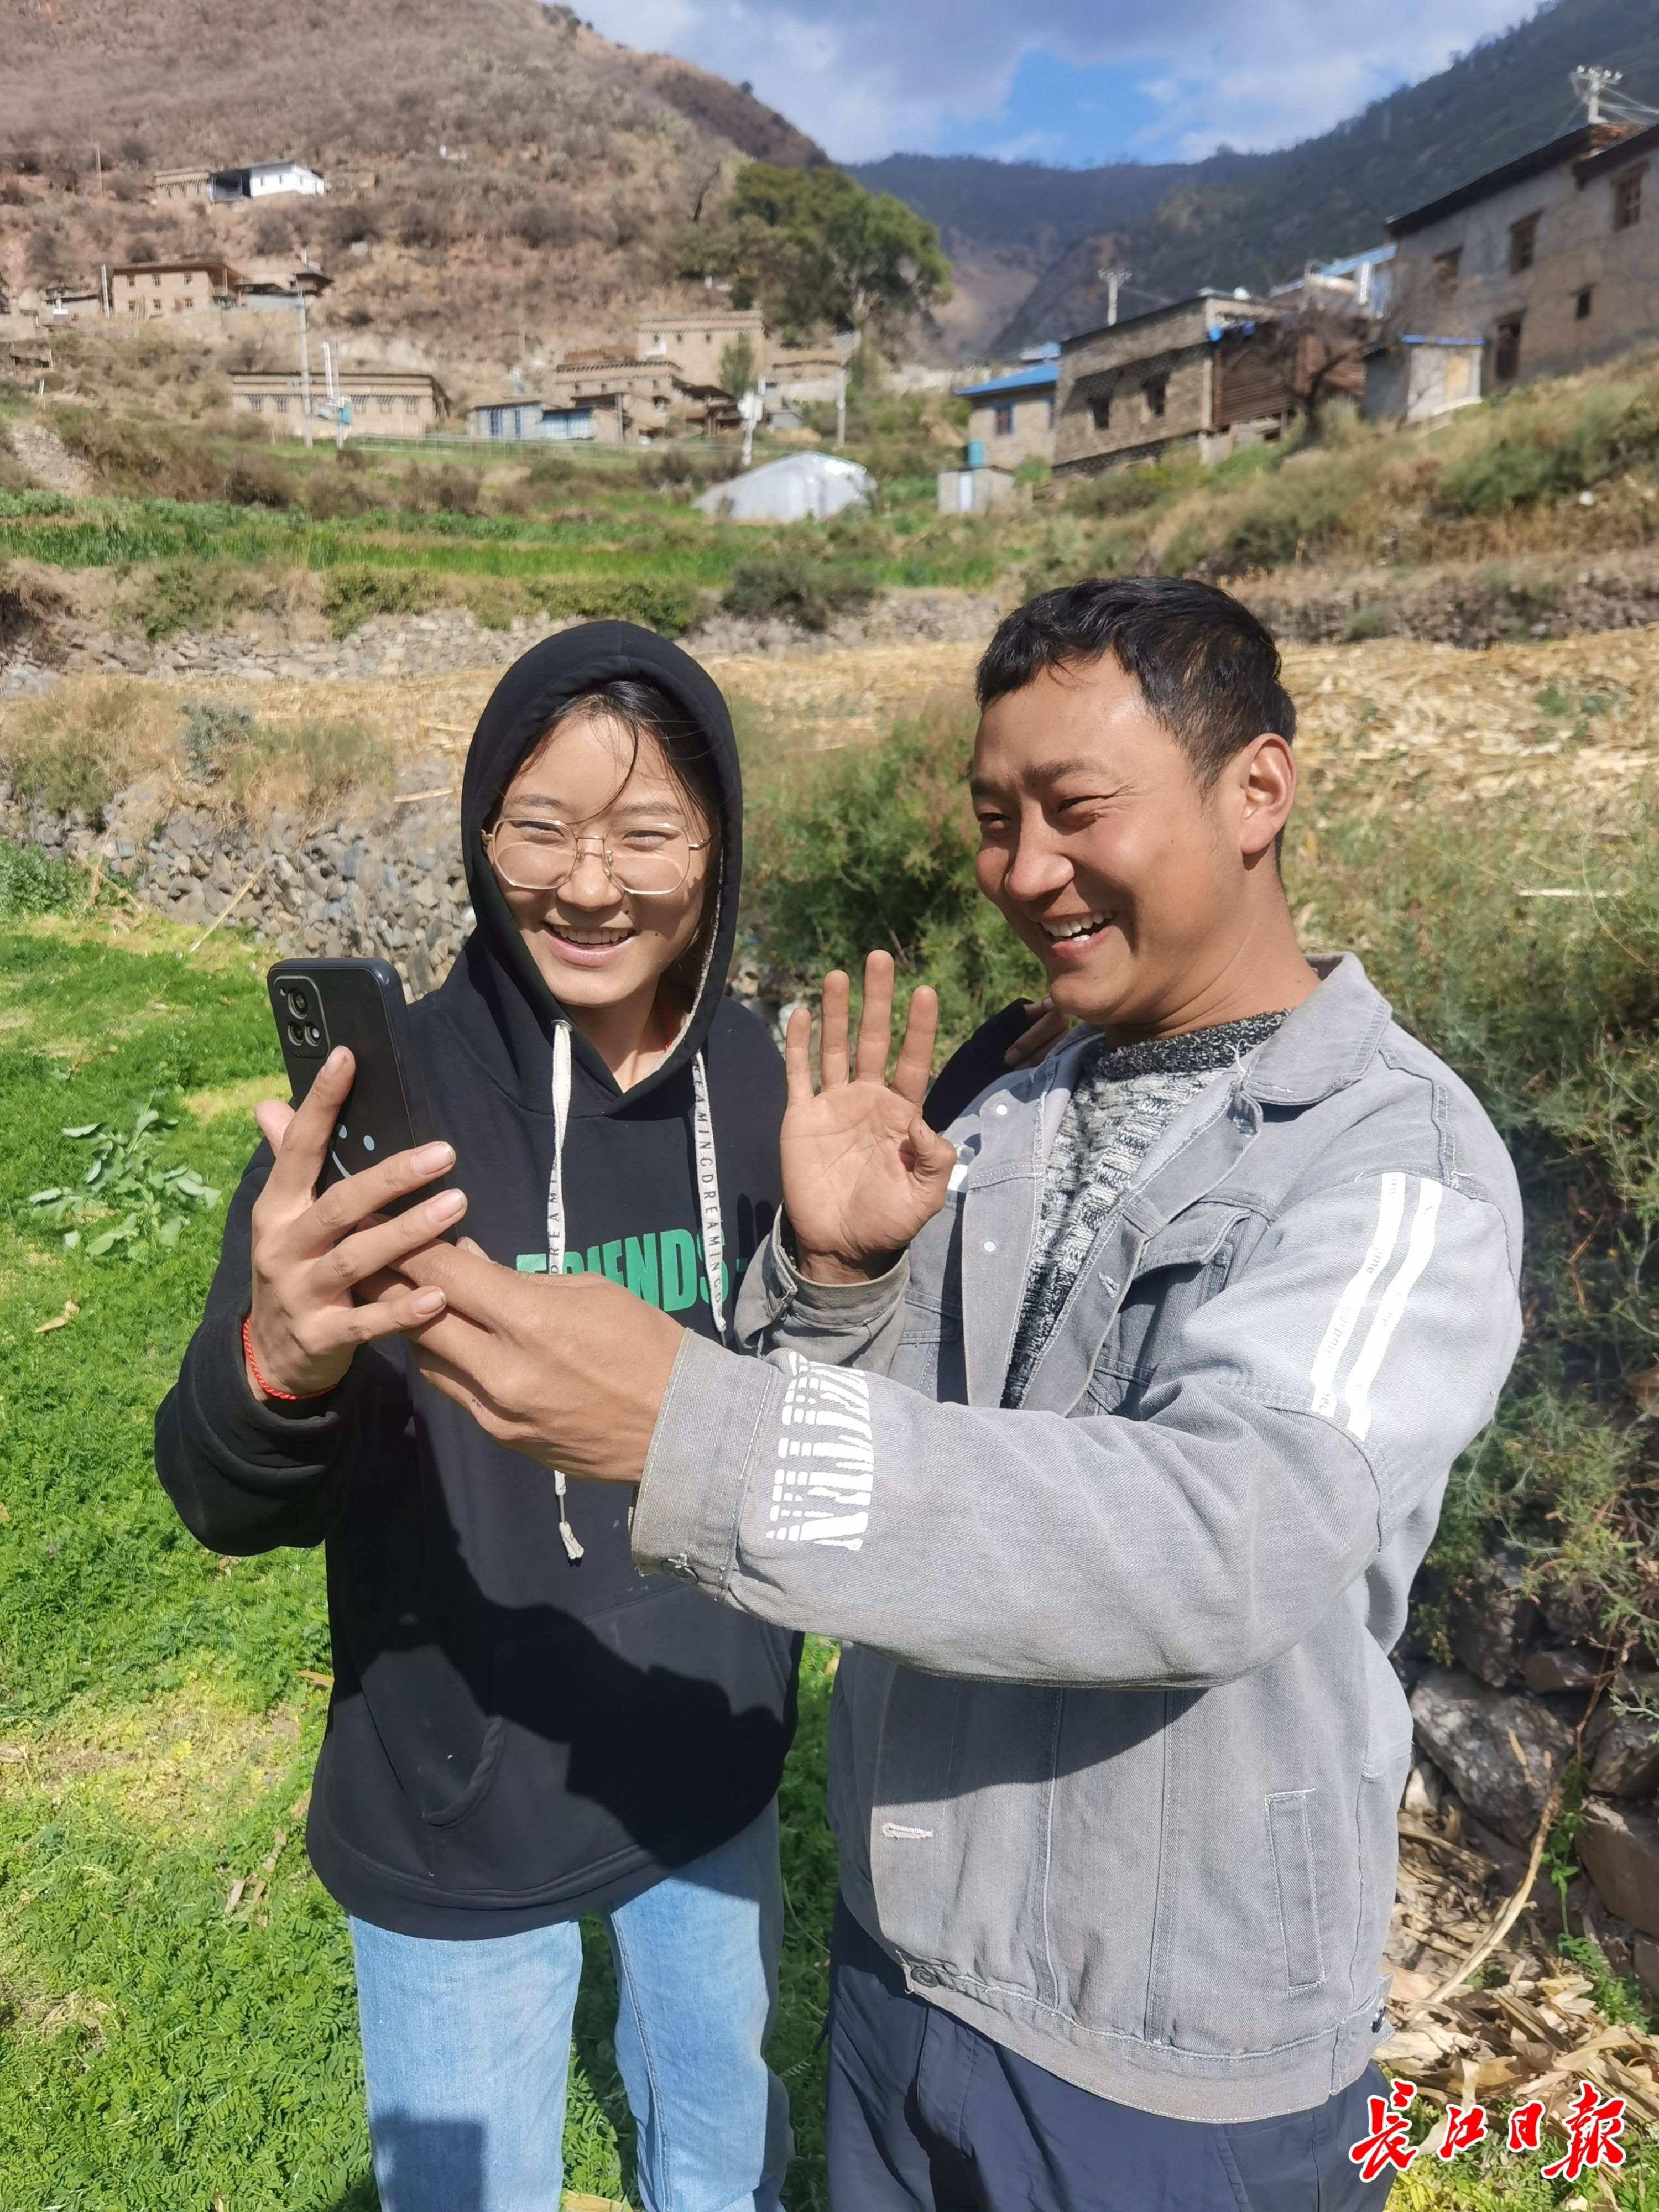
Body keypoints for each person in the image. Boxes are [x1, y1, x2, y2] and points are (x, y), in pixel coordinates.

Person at [353, 577, 1525, 2209]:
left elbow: (1227, 1541)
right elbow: (876, 1478)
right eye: (994, 819)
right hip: (906, 1978)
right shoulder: (1000, 1106)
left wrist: (692, 1427)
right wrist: (834, 1279)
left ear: (1258, 788)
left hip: (1169, 2050)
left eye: (1077, 809)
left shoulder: (1394, 1167)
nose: (1026, 870)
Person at [156, 625, 806, 2212]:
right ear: (478, 832)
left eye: (646, 833)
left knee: (721, 2165)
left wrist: (850, 1261)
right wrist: (279, 1358)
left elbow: (813, 1412)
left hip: (706, 1757)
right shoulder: (384, 1114)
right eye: (541, 828)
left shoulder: (756, 1083)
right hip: (453, 1795)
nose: (588, 886)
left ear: (716, 849)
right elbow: (221, 1494)